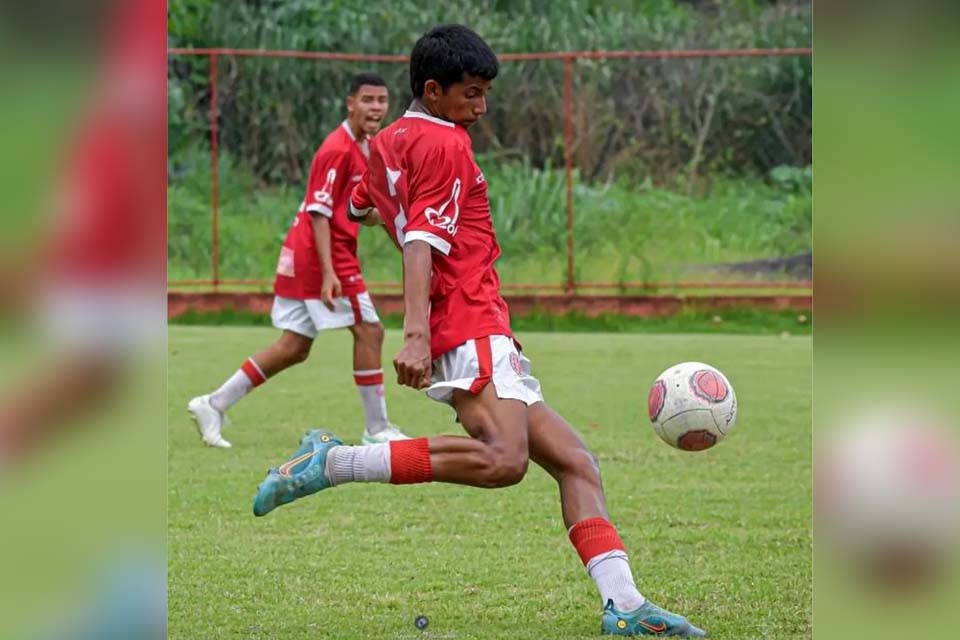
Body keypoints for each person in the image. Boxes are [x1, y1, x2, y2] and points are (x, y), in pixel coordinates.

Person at [251, 26, 705, 637]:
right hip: (467, 319)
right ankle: (335, 462)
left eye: (486, 92)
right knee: (503, 461)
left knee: (576, 463)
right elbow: (419, 239)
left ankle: (624, 604)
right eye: (471, 93)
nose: (481, 106)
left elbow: (360, 207)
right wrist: (415, 333)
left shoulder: (386, 142)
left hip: (479, 320)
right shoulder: (446, 144)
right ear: (434, 91)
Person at [188, 73, 409, 449]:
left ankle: (213, 403)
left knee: (294, 346)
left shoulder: (368, 147)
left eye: (382, 100)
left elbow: (364, 210)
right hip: (322, 256)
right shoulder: (337, 149)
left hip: (303, 253)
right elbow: (319, 212)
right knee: (370, 331)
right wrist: (327, 273)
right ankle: (377, 429)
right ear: (350, 103)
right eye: (367, 100)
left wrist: (404, 241)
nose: (376, 108)